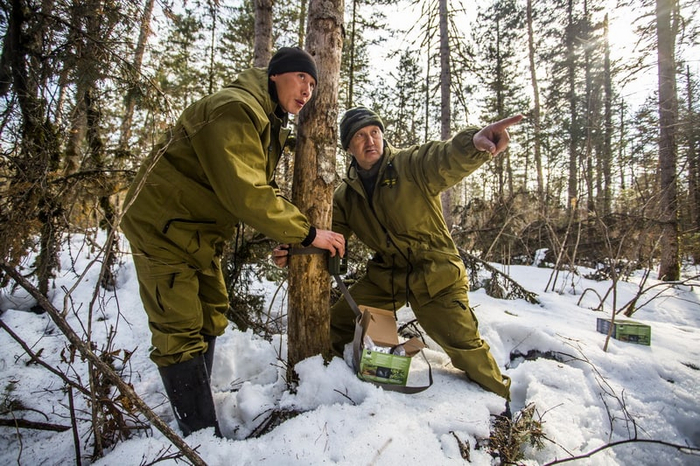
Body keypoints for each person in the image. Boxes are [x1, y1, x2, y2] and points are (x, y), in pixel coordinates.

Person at [121, 47, 346, 437]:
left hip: (197, 231)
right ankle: (199, 436)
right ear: (275, 75)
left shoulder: (265, 120)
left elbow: (257, 188)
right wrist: (308, 233)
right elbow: (247, 193)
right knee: (179, 328)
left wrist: (287, 239)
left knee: (210, 312)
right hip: (162, 227)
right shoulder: (235, 109)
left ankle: (198, 405)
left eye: (312, 84)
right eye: (301, 77)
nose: (307, 90)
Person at [276, 107, 521, 402]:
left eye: (374, 132)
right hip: (388, 275)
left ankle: (504, 401)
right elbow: (328, 237)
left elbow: (444, 157)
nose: (370, 141)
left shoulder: (410, 165)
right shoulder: (345, 196)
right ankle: (341, 385)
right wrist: (294, 250)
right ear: (348, 147)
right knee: (339, 322)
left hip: (435, 272)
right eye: (360, 136)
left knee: (465, 348)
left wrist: (473, 144)